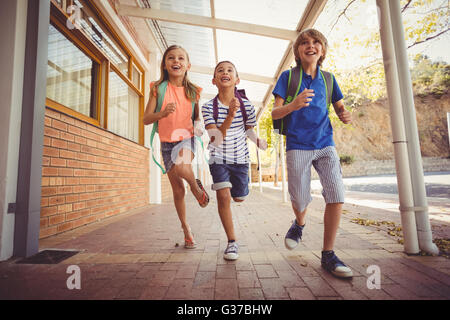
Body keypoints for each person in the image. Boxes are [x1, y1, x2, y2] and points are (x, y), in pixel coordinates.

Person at [271, 29, 353, 278]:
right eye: (304, 42)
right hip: (297, 144)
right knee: (299, 199)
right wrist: (293, 105)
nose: (310, 45)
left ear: (323, 50)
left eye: (316, 42)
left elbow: (339, 106)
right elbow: (275, 113)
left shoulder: (328, 79)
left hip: (325, 143)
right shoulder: (288, 77)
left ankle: (328, 254)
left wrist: (343, 114)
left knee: (337, 194)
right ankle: (300, 223)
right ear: (298, 51)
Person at [143, 45, 209, 249]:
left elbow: (197, 118)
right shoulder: (157, 88)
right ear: (164, 64)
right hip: (166, 142)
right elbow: (146, 118)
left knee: (182, 168)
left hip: (186, 138)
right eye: (171, 58)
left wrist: (199, 128)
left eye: (181, 58)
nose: (176, 61)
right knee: (178, 190)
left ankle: (197, 189)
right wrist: (162, 114)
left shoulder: (193, 91)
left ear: (187, 65)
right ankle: (186, 230)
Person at [202, 61, 267, 261]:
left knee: (238, 197)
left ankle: (239, 192)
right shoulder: (207, 108)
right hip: (218, 158)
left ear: (236, 80)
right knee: (223, 198)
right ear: (214, 81)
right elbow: (216, 138)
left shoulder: (246, 105)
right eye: (220, 70)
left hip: (240, 159)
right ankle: (232, 242)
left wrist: (257, 140)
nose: (225, 72)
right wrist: (230, 115)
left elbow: (248, 129)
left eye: (230, 70)